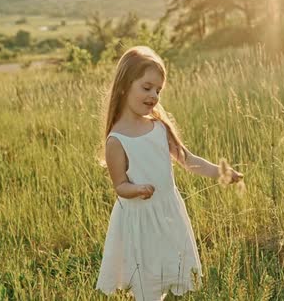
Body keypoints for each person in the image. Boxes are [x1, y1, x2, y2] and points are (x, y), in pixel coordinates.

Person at [95, 46, 243, 300]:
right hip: (140, 222)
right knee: (147, 285)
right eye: (146, 87)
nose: (153, 95)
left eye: (158, 90)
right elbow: (120, 186)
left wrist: (222, 172)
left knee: (166, 275)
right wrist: (137, 189)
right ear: (124, 85)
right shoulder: (116, 140)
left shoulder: (159, 128)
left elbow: (188, 160)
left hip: (167, 215)